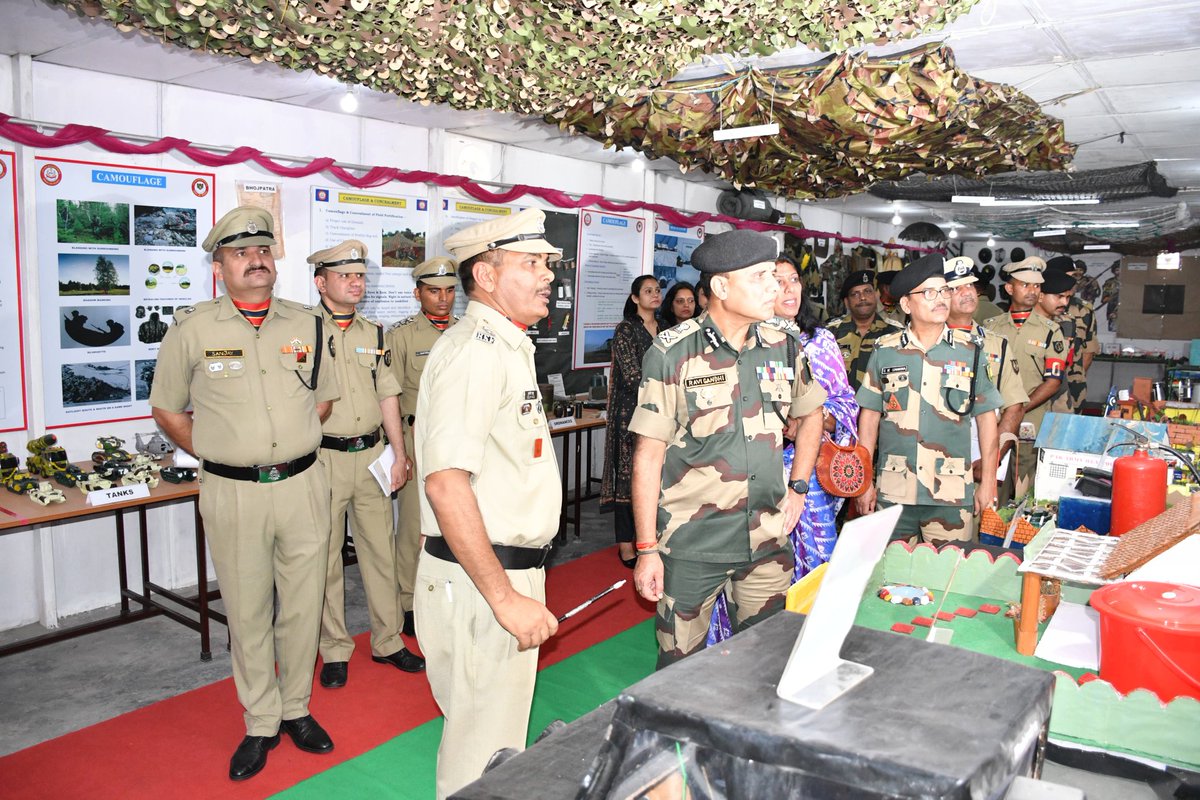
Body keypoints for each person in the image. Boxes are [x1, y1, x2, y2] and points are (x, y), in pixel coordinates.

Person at [150, 207, 339, 781]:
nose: (256, 261)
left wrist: (286, 444)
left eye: (262, 250)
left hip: (303, 485)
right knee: (248, 608)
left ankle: (296, 708)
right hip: (234, 493)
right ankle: (261, 720)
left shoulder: (308, 324)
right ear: (219, 268)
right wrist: (218, 450)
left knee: (303, 605)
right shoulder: (192, 330)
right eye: (240, 253)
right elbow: (168, 409)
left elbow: (322, 400)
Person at [414, 208, 563, 799]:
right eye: (532, 263)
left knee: (496, 745)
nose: (547, 275)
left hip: (495, 573)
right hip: (484, 582)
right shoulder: (476, 352)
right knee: (480, 760)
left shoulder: (505, 346)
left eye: (547, 263)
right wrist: (503, 598)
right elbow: (445, 484)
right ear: (486, 275)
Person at [629, 229, 827, 669]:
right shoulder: (673, 353)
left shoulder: (783, 345)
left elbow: (812, 413)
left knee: (766, 663)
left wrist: (798, 487)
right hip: (693, 544)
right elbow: (648, 454)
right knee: (679, 668)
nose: (774, 287)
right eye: (760, 277)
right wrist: (646, 549)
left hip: (766, 539)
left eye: (774, 276)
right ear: (720, 286)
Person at [707, 251, 858, 643]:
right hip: (750, 479)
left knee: (816, 563)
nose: (788, 289)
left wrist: (814, 419)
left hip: (809, 478)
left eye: (794, 280)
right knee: (750, 575)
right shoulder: (740, 343)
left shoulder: (820, 342)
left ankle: (814, 644)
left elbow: (846, 403)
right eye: (777, 280)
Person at [309, 240, 424, 692]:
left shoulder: (374, 334)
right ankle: (335, 648)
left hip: (371, 456)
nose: (356, 283)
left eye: (360, 276)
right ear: (321, 283)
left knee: (380, 552)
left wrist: (399, 454)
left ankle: (388, 640)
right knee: (326, 559)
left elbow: (388, 395)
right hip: (323, 460)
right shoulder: (303, 331)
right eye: (345, 276)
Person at [856, 254, 1002, 544]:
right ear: (906, 304)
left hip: (950, 493)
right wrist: (864, 482)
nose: (941, 299)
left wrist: (988, 483)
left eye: (944, 291)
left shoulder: (970, 352)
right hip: (894, 490)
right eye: (929, 293)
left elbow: (987, 420)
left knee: (947, 570)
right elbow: (869, 419)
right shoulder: (885, 351)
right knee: (892, 571)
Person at [387, 256, 460, 638]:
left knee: (459, 523)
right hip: (420, 442)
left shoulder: (466, 333)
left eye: (449, 290)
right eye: (434, 291)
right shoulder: (401, 337)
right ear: (418, 294)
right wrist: (401, 454)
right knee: (415, 528)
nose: (443, 298)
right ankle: (409, 602)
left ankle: (453, 596)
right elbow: (388, 398)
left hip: (460, 443)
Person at [944, 258, 1029, 537]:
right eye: (957, 287)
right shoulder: (924, 344)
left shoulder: (996, 345)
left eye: (970, 285)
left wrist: (991, 461)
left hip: (981, 461)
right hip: (934, 463)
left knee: (975, 539)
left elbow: (1014, 406)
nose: (967, 292)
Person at [983, 257, 1067, 502]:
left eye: (1037, 286)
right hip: (992, 420)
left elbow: (1053, 381)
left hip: (1031, 422)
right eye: (1025, 285)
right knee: (992, 483)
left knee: (1024, 490)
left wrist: (1018, 409)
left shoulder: (1051, 331)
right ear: (1010, 289)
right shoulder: (990, 328)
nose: (1032, 291)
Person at [601, 275, 661, 567]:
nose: (655, 294)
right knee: (628, 479)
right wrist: (666, 391)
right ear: (636, 298)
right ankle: (626, 546)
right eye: (648, 291)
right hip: (630, 415)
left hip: (660, 413)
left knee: (654, 477)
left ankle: (649, 539)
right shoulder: (626, 329)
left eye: (657, 290)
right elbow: (632, 373)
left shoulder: (665, 328)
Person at [825, 270, 902, 391]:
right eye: (855, 294)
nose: (862, 297)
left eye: (867, 291)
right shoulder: (830, 334)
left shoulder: (895, 333)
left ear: (875, 296)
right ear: (847, 302)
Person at [1045, 256, 1097, 415]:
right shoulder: (1039, 306)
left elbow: (1088, 352)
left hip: (1073, 386)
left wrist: (1074, 378)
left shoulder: (1084, 310)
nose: (1074, 281)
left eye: (1075, 277)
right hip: (1041, 386)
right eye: (1070, 276)